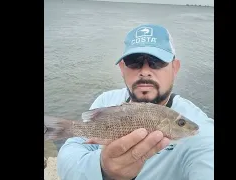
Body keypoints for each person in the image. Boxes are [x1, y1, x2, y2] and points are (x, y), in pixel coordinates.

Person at [56, 24, 214, 180]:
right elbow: (68, 156)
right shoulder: (106, 100)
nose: (145, 71)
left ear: (175, 68)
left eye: (156, 62)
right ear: (122, 69)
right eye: (134, 61)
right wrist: (102, 168)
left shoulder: (203, 132)